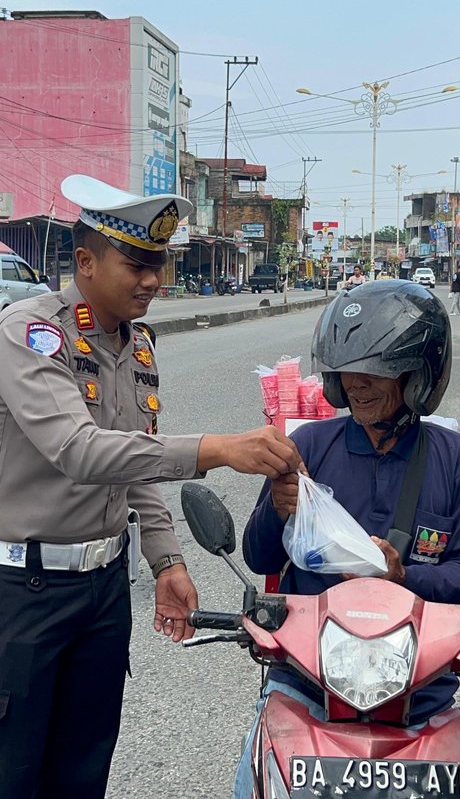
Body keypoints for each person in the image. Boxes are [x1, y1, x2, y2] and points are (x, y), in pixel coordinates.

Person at [0, 174, 301, 799]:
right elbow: (79, 451)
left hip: (104, 589)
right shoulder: (32, 335)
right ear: (85, 261)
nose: (152, 280)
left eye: (158, 264)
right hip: (23, 592)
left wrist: (165, 558)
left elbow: (135, 458)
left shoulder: (136, 346)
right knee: (15, 769)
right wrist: (218, 449)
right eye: (136, 263)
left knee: (84, 767)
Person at [234, 280, 460, 798]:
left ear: (418, 376)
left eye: (377, 371)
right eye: (348, 372)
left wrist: (402, 577)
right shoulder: (308, 446)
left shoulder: (458, 460)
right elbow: (259, 557)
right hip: (307, 677)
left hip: (418, 684)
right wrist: (278, 512)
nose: (358, 385)